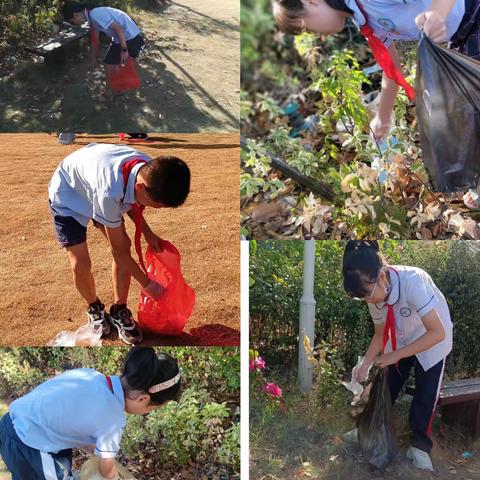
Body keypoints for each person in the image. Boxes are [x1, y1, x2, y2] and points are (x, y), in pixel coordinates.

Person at [271, 0, 480, 206]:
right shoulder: (362, 18)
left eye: (308, 28)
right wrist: (383, 117)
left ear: (311, 2)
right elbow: (390, 68)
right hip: (460, 37)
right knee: (462, 112)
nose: (319, 36)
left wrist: (437, 13)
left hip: (474, 14)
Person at [48, 142, 191, 344]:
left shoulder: (148, 168)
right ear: (142, 187)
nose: (153, 208)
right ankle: (94, 308)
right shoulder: (108, 192)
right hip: (69, 194)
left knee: (124, 242)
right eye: (155, 205)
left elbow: (132, 199)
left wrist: (148, 232)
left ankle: (119, 309)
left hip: (94, 181)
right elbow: (119, 254)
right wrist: (149, 286)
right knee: (80, 264)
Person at [342, 240, 453, 471]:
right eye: (362, 298)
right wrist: (366, 363)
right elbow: (380, 334)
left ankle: (419, 447)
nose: (369, 301)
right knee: (387, 382)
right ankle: (367, 429)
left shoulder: (414, 282)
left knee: (426, 393)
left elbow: (437, 332)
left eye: (369, 295)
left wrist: (395, 355)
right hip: (403, 337)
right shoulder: (373, 293)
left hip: (431, 339)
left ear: (381, 276)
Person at [0, 347, 181, 480]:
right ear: (143, 399)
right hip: (31, 443)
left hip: (11, 425)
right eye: (151, 410)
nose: (146, 413)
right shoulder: (113, 420)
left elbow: (67, 411)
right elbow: (106, 471)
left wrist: (91, 448)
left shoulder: (89, 375)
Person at [62, 1, 145, 99]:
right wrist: (93, 61)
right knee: (112, 64)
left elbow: (119, 29)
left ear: (75, 15)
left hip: (130, 36)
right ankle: (118, 88)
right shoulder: (91, 17)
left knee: (110, 64)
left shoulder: (95, 14)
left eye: (72, 21)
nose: (74, 24)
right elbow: (95, 42)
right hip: (122, 37)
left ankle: (109, 93)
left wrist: (124, 50)